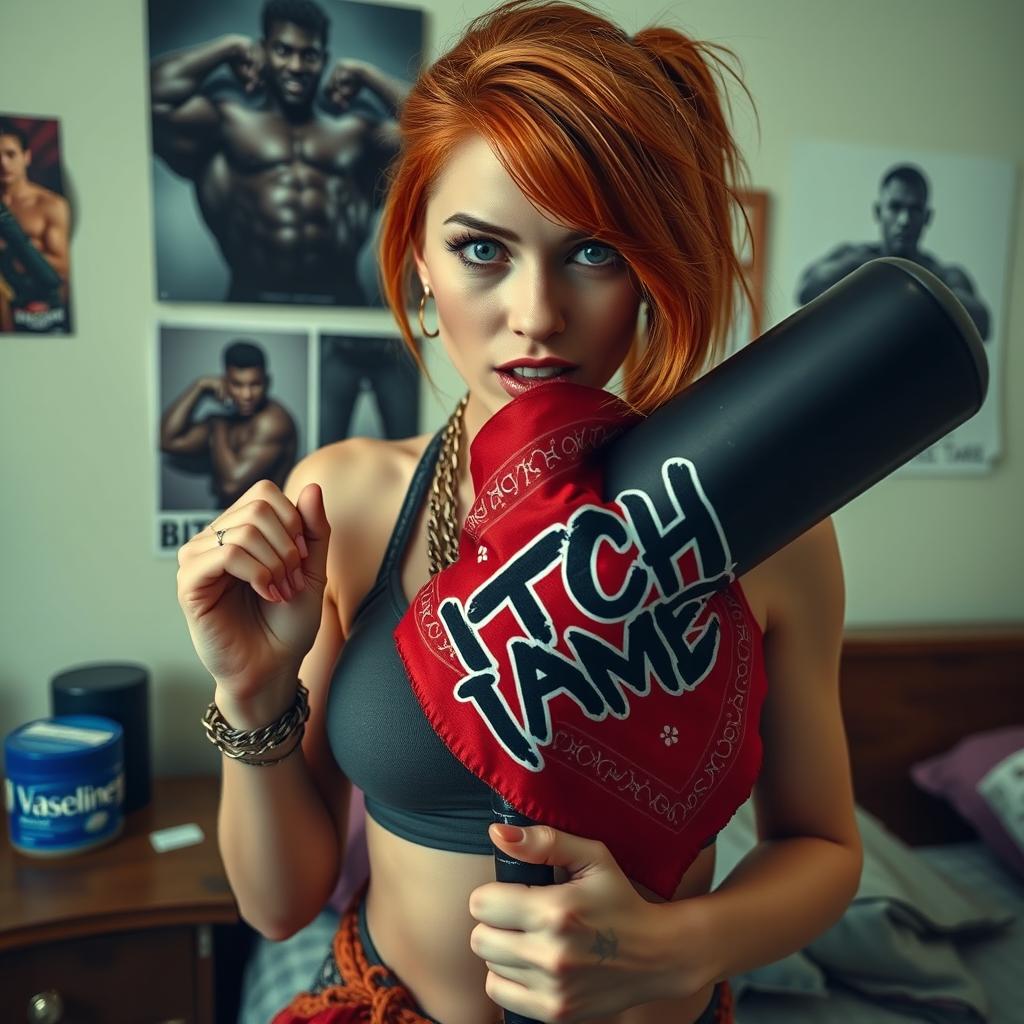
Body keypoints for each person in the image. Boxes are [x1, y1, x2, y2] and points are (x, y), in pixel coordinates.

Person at [175, 3, 862, 1022]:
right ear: (416, 255)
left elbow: (823, 845)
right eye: (482, 250)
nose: (535, 314)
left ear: (649, 267)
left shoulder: (771, 522)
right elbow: (279, 907)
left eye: (592, 252)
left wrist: (682, 942)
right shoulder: (352, 501)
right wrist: (250, 688)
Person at [150, 0, 409, 305]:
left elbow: (436, 131)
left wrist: (367, 74)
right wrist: (226, 48)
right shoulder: (227, 122)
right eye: (284, 51)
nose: (297, 67)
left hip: (342, 305)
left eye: (309, 55)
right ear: (263, 51)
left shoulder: (356, 131)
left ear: (324, 59)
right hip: (252, 303)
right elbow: (149, 98)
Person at [795, 164, 991, 340]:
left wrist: (922, 283)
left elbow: (982, 324)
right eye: (895, 207)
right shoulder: (853, 258)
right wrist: (869, 266)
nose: (904, 220)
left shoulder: (945, 275)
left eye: (914, 209)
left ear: (927, 217)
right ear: (878, 212)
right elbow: (806, 291)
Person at [161, 339, 297, 507]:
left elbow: (231, 486)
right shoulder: (230, 420)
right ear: (225, 382)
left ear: (267, 382)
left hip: (265, 526)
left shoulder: (273, 422)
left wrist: (218, 426)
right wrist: (199, 387)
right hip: (233, 525)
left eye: (255, 384)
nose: (247, 395)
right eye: (237, 384)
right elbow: (168, 440)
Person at [0, 119, 71, 332]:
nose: (3, 163)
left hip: (40, 308)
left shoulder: (50, 205)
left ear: (26, 157)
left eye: (10, 154)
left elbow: (63, 266)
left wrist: (10, 250)